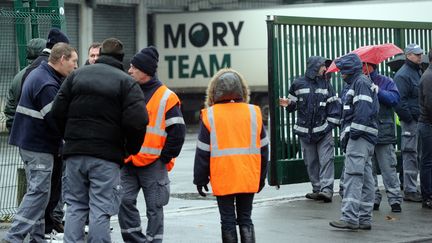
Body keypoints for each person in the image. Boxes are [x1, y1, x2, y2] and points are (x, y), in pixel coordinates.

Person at [51, 37, 149, 243]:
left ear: (101, 54)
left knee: (76, 206)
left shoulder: (76, 76)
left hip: (75, 153)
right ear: (121, 58)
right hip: (106, 157)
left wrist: (69, 137)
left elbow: (57, 111)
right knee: (100, 208)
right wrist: (129, 149)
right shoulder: (127, 82)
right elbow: (138, 121)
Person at [2, 43, 78, 243]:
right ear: (62, 59)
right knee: (39, 192)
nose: (75, 66)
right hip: (38, 145)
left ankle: (37, 237)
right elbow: (56, 119)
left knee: (39, 193)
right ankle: (14, 236)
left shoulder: (42, 74)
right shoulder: (46, 84)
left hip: (32, 143)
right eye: (73, 61)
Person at [118, 46, 186, 243]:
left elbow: (178, 132)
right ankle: (135, 240)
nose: (129, 71)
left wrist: (164, 157)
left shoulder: (167, 96)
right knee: (123, 201)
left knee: (154, 207)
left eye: (133, 67)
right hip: (129, 161)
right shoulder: (128, 91)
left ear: (145, 70)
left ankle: (154, 241)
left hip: (154, 162)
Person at [194, 68, 269, 242]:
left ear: (213, 91)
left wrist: (200, 179)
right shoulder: (254, 113)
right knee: (245, 218)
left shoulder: (210, 115)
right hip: (248, 176)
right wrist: (261, 177)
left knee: (227, 220)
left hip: (223, 177)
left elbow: (202, 152)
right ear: (242, 90)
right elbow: (264, 150)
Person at [279, 56, 340, 202]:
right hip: (305, 132)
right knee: (311, 162)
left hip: (323, 131)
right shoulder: (297, 84)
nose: (326, 69)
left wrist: (329, 127)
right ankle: (317, 189)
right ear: (315, 67)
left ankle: (326, 190)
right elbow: (293, 105)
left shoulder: (327, 85)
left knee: (326, 160)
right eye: (323, 66)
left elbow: (334, 107)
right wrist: (288, 104)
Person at [329, 53, 379, 230]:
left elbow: (362, 112)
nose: (341, 73)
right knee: (365, 178)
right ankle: (364, 218)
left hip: (359, 138)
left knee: (353, 176)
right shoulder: (361, 82)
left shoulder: (359, 83)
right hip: (365, 138)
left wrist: (353, 133)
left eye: (343, 70)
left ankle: (349, 217)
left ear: (350, 69)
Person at [363, 63, 403, 212]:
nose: (361, 69)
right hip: (367, 132)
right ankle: (374, 199)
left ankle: (395, 200)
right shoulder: (358, 82)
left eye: (363, 66)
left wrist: (379, 91)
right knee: (370, 169)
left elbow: (394, 99)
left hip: (384, 132)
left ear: (370, 66)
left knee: (388, 168)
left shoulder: (386, 81)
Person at [394, 43, 424, 202]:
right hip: (411, 122)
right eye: (416, 54)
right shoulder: (403, 75)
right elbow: (399, 102)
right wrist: (410, 118)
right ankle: (410, 190)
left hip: (417, 120)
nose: (420, 56)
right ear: (408, 55)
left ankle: (412, 188)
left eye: (420, 53)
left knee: (416, 155)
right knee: (410, 154)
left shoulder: (416, 72)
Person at [4, 38, 46, 133]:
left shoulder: (18, 77)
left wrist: (15, 131)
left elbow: (10, 108)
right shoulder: (46, 75)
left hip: (23, 134)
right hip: (42, 137)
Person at [418, 50, 432, 209]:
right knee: (427, 162)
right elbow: (429, 103)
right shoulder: (429, 77)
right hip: (428, 124)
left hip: (427, 123)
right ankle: (427, 196)